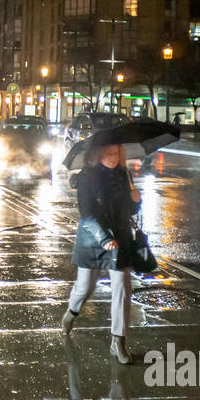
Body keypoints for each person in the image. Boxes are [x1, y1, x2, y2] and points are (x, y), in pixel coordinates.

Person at [62, 142, 141, 363]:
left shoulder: (124, 174)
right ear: (97, 154)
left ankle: (119, 340)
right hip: (93, 238)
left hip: (120, 238)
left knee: (122, 287)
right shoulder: (87, 177)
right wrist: (104, 238)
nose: (112, 157)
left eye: (116, 152)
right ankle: (72, 311)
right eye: (107, 152)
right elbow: (86, 214)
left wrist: (136, 201)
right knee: (85, 286)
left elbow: (130, 210)